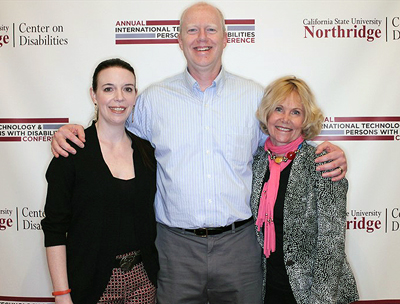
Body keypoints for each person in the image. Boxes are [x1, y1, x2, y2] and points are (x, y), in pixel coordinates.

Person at [50, 3, 348, 303]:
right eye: (192, 30)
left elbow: (282, 145)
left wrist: (327, 152)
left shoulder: (254, 97)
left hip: (240, 248)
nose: (201, 38)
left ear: (225, 37)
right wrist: (71, 131)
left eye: (210, 29)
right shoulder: (154, 100)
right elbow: (112, 125)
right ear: (179, 41)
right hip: (175, 250)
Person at [41, 58, 158, 304]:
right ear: (93, 95)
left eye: (127, 89)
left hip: (143, 281)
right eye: (108, 89)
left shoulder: (147, 151)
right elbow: (54, 228)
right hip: (92, 284)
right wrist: (62, 295)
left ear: (135, 95)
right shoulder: (72, 152)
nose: (119, 97)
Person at [250, 76, 358, 304]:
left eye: (295, 112)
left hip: (311, 293)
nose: (285, 119)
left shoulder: (323, 162)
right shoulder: (258, 160)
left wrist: (320, 301)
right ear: (267, 113)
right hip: (267, 289)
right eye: (279, 109)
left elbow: (332, 244)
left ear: (305, 120)